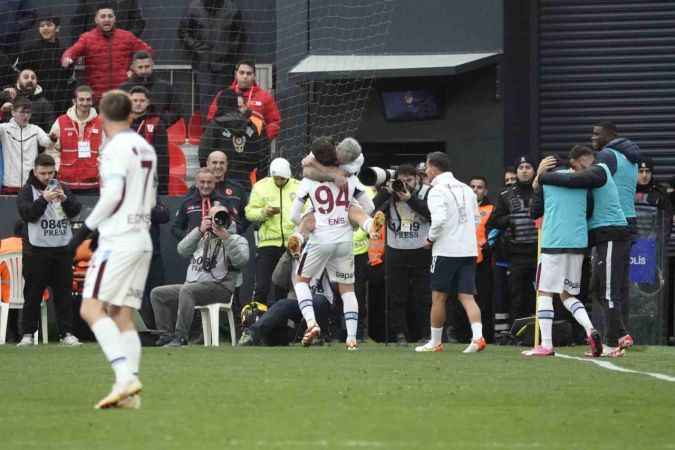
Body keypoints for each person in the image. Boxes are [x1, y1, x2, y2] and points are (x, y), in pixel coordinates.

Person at [68, 90, 157, 409]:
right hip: (141, 238)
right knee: (122, 314)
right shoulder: (145, 146)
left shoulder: (113, 149)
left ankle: (125, 376)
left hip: (119, 239)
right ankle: (130, 394)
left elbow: (113, 194)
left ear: (101, 117)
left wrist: (86, 228)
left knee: (90, 308)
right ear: (131, 115)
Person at [538, 145, 631, 357]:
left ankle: (612, 342)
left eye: (576, 166)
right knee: (597, 290)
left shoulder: (598, 170)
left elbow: (572, 181)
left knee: (607, 292)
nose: (575, 171)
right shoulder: (594, 175)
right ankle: (620, 335)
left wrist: (541, 176)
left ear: (582, 160)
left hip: (611, 235)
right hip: (595, 239)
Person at [289, 138, 363, 350]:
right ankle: (351, 338)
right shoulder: (352, 174)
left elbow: (294, 214)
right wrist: (354, 220)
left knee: (301, 280)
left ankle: (311, 323)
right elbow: (367, 204)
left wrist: (309, 218)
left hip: (321, 237)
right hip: (344, 238)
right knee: (347, 289)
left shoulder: (309, 178)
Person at [526, 155, 602, 357]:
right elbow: (589, 211)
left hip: (553, 242)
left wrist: (537, 182)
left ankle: (547, 344)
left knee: (544, 292)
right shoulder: (582, 183)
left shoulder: (546, 182)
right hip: (578, 243)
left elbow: (534, 212)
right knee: (568, 294)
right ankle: (590, 329)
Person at [415, 151, 485, 354]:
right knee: (467, 296)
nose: (426, 171)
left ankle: (435, 342)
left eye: (427, 167)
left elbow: (439, 220)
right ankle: (478, 337)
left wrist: (429, 239)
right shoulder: (466, 188)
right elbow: (476, 219)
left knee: (438, 298)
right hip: (468, 250)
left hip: (446, 251)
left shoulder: (436, 190)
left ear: (433, 167)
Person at [151, 204, 249, 346]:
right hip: (195, 286)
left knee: (187, 290)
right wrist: (199, 230)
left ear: (229, 219)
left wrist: (226, 239)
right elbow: (182, 250)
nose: (218, 221)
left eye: (222, 217)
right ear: (207, 219)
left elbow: (241, 261)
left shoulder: (237, 239)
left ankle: (181, 337)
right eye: (214, 217)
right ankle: (166, 336)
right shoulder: (202, 238)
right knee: (157, 294)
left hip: (221, 288)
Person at [16, 153, 82, 346]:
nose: (46, 176)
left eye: (50, 172)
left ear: (55, 171)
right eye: (42, 173)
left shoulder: (62, 187)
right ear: (35, 172)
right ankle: (27, 334)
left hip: (62, 249)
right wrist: (44, 199)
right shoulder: (27, 191)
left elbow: (75, 209)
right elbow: (28, 214)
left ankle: (67, 333)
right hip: (36, 251)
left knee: (63, 294)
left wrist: (65, 200)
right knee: (33, 294)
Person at [372, 164, 431, 345]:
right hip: (396, 250)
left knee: (423, 296)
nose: (405, 185)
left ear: (417, 179)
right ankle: (399, 334)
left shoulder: (427, 193)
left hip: (421, 250)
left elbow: (432, 213)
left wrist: (410, 199)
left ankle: (427, 334)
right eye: (402, 181)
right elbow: (372, 211)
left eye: (409, 180)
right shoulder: (391, 195)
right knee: (396, 296)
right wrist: (386, 192)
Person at [239, 251, 333, 346]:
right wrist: (287, 255)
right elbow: (277, 280)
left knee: (317, 300)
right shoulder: (291, 258)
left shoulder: (321, 251)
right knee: (282, 304)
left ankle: (318, 336)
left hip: (322, 301)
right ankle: (252, 334)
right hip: (300, 302)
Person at [487, 156, 538, 330]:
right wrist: (511, 218)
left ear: (534, 170)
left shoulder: (542, 191)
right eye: (521, 167)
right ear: (516, 172)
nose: (524, 170)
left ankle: (538, 332)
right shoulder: (505, 195)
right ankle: (517, 333)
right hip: (516, 254)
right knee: (516, 295)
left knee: (539, 295)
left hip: (540, 253)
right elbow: (493, 222)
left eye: (528, 166)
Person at [61, 3, 153, 101]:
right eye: (103, 16)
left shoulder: (127, 36)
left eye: (110, 16)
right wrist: (67, 58)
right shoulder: (87, 38)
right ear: (96, 20)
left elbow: (147, 51)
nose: (107, 19)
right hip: (98, 96)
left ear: (114, 19)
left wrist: (134, 70)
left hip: (123, 94)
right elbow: (72, 51)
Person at [245, 157, 299, 304]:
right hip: (267, 243)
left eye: (282, 178)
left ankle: (281, 323)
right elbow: (249, 212)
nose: (279, 181)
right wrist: (264, 212)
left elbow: (307, 213)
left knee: (282, 286)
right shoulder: (261, 186)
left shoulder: (299, 187)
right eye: (276, 178)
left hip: (292, 244)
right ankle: (257, 320)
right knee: (262, 286)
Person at [177, 0, 245, 116]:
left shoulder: (232, 8)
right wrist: (198, 49)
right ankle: (207, 132)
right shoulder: (194, 8)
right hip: (203, 66)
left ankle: (224, 131)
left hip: (225, 67)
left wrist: (228, 51)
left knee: (225, 104)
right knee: (206, 105)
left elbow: (239, 34)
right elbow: (182, 31)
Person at [199, 88, 269, 188]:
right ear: (235, 104)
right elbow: (262, 155)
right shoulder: (250, 126)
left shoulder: (215, 126)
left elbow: (203, 154)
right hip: (245, 182)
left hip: (219, 182)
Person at [207, 61, 281, 142]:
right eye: (241, 73)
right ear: (236, 74)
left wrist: (263, 140)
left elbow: (274, 122)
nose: (245, 76)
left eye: (249, 73)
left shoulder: (265, 97)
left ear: (254, 76)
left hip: (254, 146)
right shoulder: (224, 95)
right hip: (227, 144)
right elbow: (211, 119)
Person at [47, 85, 102, 194]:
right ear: (74, 101)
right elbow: (51, 149)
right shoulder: (61, 122)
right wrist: (59, 168)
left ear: (92, 101)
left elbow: (107, 152)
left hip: (92, 185)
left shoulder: (102, 123)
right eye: (81, 99)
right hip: (65, 184)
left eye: (88, 99)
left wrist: (98, 170)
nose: (85, 103)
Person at [15, 10, 71, 113]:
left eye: (49, 25)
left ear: (57, 28)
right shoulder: (30, 50)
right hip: (34, 103)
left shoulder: (65, 52)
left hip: (59, 103)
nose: (45, 28)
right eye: (42, 25)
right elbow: (19, 74)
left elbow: (68, 78)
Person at [0, 97, 53, 193]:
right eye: (22, 112)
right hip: (9, 185)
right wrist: (1, 112)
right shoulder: (4, 129)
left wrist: (53, 138)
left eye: (28, 112)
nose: (26, 116)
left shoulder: (35, 129)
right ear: (13, 112)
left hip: (31, 185)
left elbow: (46, 142)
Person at [120, 51, 179, 126]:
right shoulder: (124, 89)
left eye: (147, 66)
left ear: (152, 65)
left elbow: (176, 111)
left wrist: (160, 123)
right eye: (140, 67)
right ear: (133, 67)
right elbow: (117, 112)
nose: (144, 70)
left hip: (158, 133)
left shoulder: (165, 87)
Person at [129, 85, 168, 194]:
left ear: (148, 102)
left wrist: (163, 187)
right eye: (135, 100)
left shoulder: (157, 123)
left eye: (142, 100)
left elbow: (162, 156)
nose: (138, 103)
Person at [171, 168, 228, 240]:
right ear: (196, 184)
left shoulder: (224, 202)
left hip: (218, 248)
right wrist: (189, 238)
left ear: (214, 183)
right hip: (194, 248)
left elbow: (233, 227)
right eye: (202, 182)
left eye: (209, 182)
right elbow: (175, 229)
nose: (206, 186)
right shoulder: (187, 203)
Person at [203, 150, 249, 233]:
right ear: (207, 164)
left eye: (222, 163)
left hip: (230, 241)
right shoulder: (197, 189)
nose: (218, 166)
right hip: (205, 241)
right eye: (214, 162)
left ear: (227, 164)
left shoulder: (238, 189)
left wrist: (237, 230)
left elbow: (247, 216)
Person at [70, 0, 145, 43]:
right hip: (93, 50)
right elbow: (77, 25)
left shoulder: (129, 1)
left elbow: (138, 23)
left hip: (120, 49)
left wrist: (125, 40)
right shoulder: (87, 2)